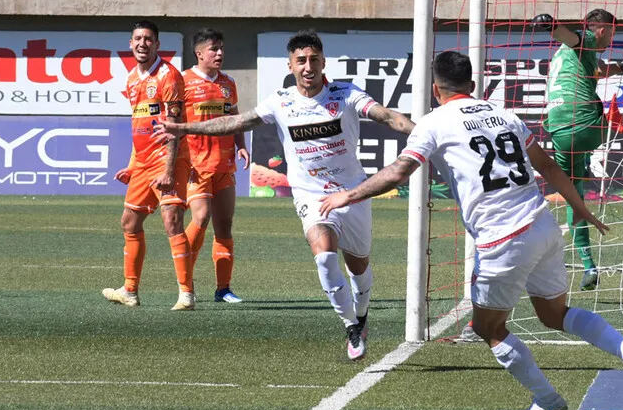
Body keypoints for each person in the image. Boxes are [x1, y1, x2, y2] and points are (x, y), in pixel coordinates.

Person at [320, 51, 623, 410]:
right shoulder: (506, 115)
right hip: (543, 225)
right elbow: (546, 165)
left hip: (502, 240)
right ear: (473, 86)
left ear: (436, 90)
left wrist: (349, 193)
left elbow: (399, 172)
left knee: (487, 327)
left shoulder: (434, 123)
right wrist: (580, 209)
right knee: (554, 314)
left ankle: (548, 401)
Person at [154, 29, 415, 360]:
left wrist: (420, 133)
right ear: (291, 65)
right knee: (323, 254)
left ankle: (361, 315)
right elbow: (234, 122)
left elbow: (387, 115)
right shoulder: (281, 101)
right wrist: (184, 127)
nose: (308, 67)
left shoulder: (345, 94)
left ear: (323, 63)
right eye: (301, 60)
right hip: (310, 195)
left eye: (314, 60)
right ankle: (350, 324)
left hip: (353, 193)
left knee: (360, 269)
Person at [530, 9, 623, 290]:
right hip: (588, 126)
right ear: (601, 29)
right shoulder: (586, 39)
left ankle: (588, 265)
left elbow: (599, 70)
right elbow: (571, 37)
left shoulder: (566, 58)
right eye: (612, 33)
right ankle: (589, 154)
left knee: (573, 198)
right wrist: (552, 25)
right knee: (607, 111)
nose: (611, 39)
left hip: (559, 133)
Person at [103, 20, 197, 311]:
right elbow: (138, 126)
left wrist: (169, 170)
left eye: (148, 39)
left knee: (172, 221)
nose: (142, 43)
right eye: (137, 38)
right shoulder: (131, 79)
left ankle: (186, 295)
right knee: (129, 223)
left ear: (157, 44)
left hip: (168, 159)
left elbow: (175, 125)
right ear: (130, 44)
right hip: (143, 163)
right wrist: (132, 165)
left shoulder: (168, 76)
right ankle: (129, 291)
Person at [181, 29, 249, 303]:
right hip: (195, 166)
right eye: (213, 49)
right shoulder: (182, 81)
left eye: (221, 48)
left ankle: (223, 289)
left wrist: (241, 144)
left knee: (225, 225)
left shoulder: (228, 83)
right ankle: (184, 279)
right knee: (200, 218)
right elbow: (171, 123)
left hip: (224, 165)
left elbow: (235, 118)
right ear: (199, 53)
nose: (220, 53)